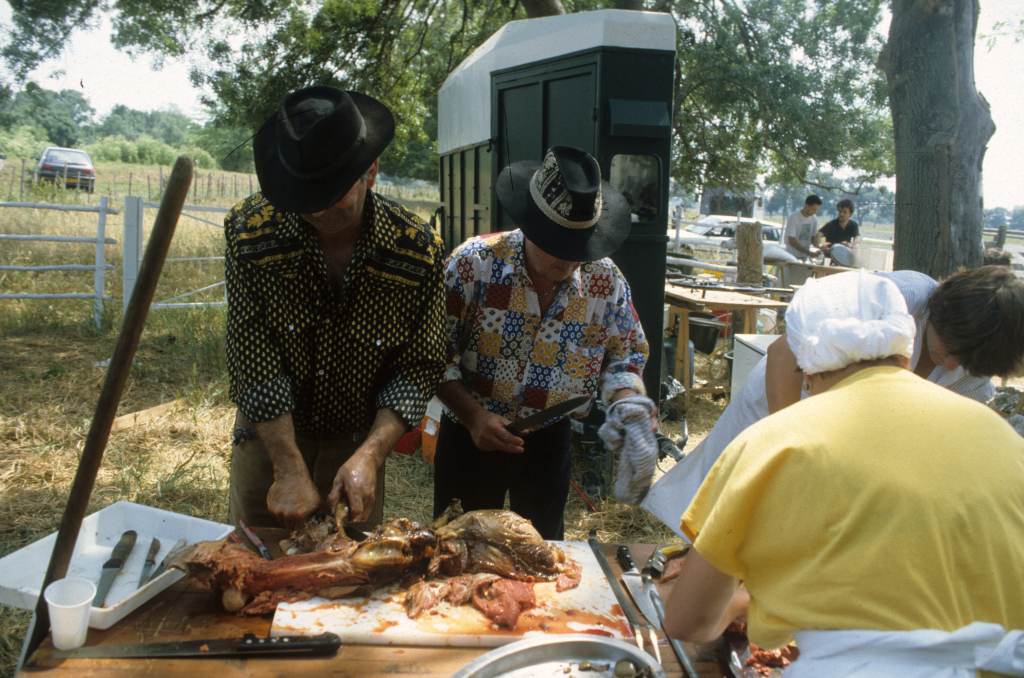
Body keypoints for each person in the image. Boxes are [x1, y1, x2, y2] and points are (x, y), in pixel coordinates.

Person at [661, 271, 1024, 675]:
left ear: (807, 369)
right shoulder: (1005, 439)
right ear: (907, 353)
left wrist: (743, 600)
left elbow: (686, 622)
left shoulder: (779, 442)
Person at [642, 265, 1024, 536]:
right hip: (787, 396)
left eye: (966, 361)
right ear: (940, 311)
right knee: (732, 502)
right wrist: (792, 444)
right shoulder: (900, 295)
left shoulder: (974, 372)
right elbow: (782, 355)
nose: (953, 364)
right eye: (950, 348)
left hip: (855, 436)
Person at [223, 85, 447, 528]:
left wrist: (370, 454)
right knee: (255, 565)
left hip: (358, 443)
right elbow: (251, 349)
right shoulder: (250, 232)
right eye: (306, 197)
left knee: (348, 577)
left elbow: (420, 366)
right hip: (268, 436)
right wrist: (286, 465)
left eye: (333, 193)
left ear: (371, 172)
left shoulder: (417, 250)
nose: (320, 210)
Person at [436, 146, 655, 539]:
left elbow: (625, 356)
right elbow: (433, 354)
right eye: (559, 249)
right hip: (472, 435)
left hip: (549, 441)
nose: (571, 265)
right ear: (531, 227)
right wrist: (473, 417)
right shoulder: (474, 264)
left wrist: (628, 404)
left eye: (580, 252)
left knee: (541, 556)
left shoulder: (605, 282)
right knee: (457, 546)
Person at [783, 194, 822, 259]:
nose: (815, 212)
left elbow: (813, 239)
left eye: (816, 210)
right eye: (813, 209)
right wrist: (808, 252)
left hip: (805, 257)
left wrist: (820, 247)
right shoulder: (794, 217)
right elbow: (792, 241)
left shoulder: (814, 219)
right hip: (791, 256)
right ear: (806, 205)